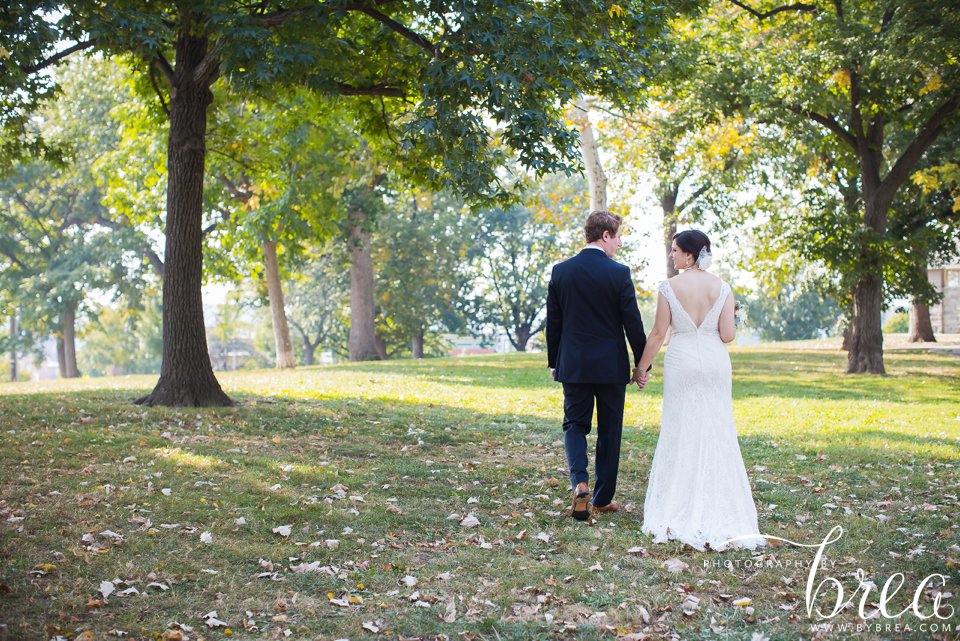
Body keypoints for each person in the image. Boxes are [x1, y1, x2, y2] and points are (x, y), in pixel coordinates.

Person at [633, 229, 764, 550]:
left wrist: (641, 368)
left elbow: (658, 333)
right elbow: (728, 334)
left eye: (675, 250)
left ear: (690, 255)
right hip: (715, 363)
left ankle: (680, 501)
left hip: (682, 362)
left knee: (681, 428)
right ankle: (717, 501)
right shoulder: (723, 287)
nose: (671, 255)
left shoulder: (668, 287)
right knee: (717, 428)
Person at [546, 210, 647, 521]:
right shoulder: (618, 273)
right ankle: (602, 499)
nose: (618, 243)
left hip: (574, 364)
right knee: (610, 429)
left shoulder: (561, 271)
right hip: (610, 366)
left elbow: (554, 323)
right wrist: (642, 365)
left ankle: (579, 482)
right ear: (605, 236)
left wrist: (554, 361)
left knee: (574, 425)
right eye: (617, 237)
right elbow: (633, 322)